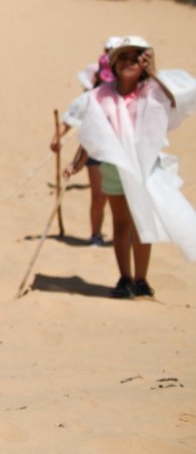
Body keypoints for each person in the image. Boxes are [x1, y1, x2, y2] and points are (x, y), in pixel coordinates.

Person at [59, 36, 196, 298]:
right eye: (123, 57)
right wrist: (76, 164)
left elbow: (178, 101)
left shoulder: (154, 89)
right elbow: (92, 133)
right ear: (114, 63)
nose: (129, 62)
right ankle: (125, 277)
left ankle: (142, 279)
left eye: (135, 57)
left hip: (145, 169)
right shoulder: (101, 95)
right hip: (114, 168)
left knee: (142, 224)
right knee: (121, 225)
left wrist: (153, 71)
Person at [55, 36, 120, 247]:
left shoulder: (127, 94)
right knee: (99, 196)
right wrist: (58, 138)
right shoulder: (93, 95)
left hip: (119, 153)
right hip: (94, 151)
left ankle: (122, 235)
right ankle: (96, 234)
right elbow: (71, 117)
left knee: (119, 201)